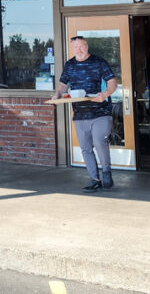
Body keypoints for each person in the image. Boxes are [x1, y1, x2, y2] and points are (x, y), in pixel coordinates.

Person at [54, 35, 119, 192]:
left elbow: (112, 83)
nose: (79, 50)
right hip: (80, 114)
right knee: (85, 147)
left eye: (81, 46)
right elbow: (63, 85)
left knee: (99, 141)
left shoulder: (99, 62)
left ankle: (106, 172)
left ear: (87, 46)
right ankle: (94, 179)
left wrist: (104, 95)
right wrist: (58, 94)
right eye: (75, 47)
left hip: (101, 111)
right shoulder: (70, 65)